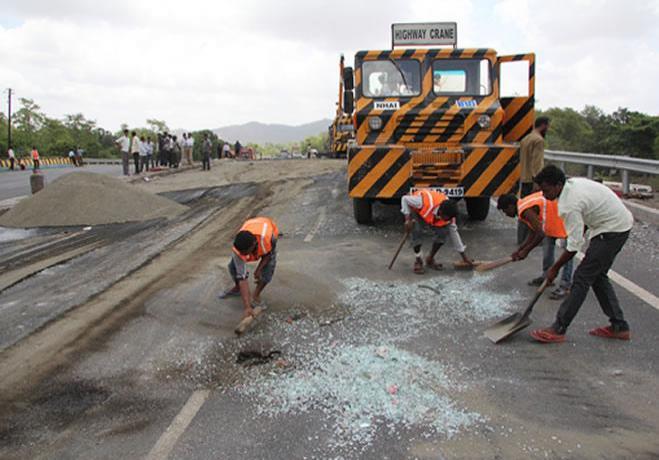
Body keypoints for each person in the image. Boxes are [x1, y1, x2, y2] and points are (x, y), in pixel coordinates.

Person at [529, 165, 634, 344]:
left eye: (546, 190)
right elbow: (583, 219)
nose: (543, 195)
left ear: (558, 185)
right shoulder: (571, 186)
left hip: (612, 229)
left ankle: (559, 328)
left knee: (582, 277)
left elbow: (573, 246)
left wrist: (554, 268)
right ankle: (619, 326)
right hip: (615, 224)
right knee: (597, 275)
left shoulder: (568, 204)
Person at [497, 192, 573, 299]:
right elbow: (533, 230)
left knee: (568, 253)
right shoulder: (523, 206)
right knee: (548, 248)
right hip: (551, 222)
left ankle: (565, 285)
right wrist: (521, 249)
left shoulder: (525, 210)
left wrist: (526, 251)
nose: (506, 214)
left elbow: (540, 234)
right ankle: (547, 277)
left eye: (505, 211)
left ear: (510, 206)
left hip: (566, 219)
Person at [401, 189, 474, 274]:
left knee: (442, 233)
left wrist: (464, 257)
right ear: (441, 212)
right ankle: (418, 260)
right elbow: (404, 199)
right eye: (446, 218)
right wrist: (407, 220)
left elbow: (454, 234)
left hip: (431, 215)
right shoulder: (422, 202)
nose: (447, 220)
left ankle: (430, 259)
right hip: (416, 209)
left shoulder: (449, 215)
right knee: (416, 231)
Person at [219, 217, 279, 319]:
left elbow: (267, 255)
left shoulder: (267, 240)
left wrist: (259, 270)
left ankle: (256, 295)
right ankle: (237, 289)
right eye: (241, 253)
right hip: (252, 225)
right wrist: (247, 307)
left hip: (268, 230)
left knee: (268, 269)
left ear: (253, 245)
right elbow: (242, 278)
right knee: (233, 268)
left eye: (245, 253)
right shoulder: (238, 248)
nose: (243, 256)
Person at [518, 117, 550, 243]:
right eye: (547, 126)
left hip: (524, 177)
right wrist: (538, 182)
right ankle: (533, 240)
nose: (548, 129)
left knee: (524, 209)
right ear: (543, 125)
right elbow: (537, 163)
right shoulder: (538, 140)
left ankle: (521, 238)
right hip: (533, 180)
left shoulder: (526, 139)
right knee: (536, 211)